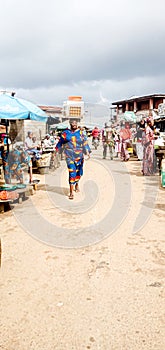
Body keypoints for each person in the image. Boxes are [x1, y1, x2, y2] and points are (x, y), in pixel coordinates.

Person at [56, 120, 91, 200]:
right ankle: (71, 192)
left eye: (75, 123)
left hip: (79, 156)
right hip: (69, 155)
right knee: (72, 172)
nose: (74, 125)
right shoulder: (65, 133)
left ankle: (77, 184)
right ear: (70, 124)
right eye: (72, 123)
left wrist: (87, 152)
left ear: (77, 124)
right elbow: (60, 142)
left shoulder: (81, 133)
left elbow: (85, 143)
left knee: (78, 172)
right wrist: (57, 150)